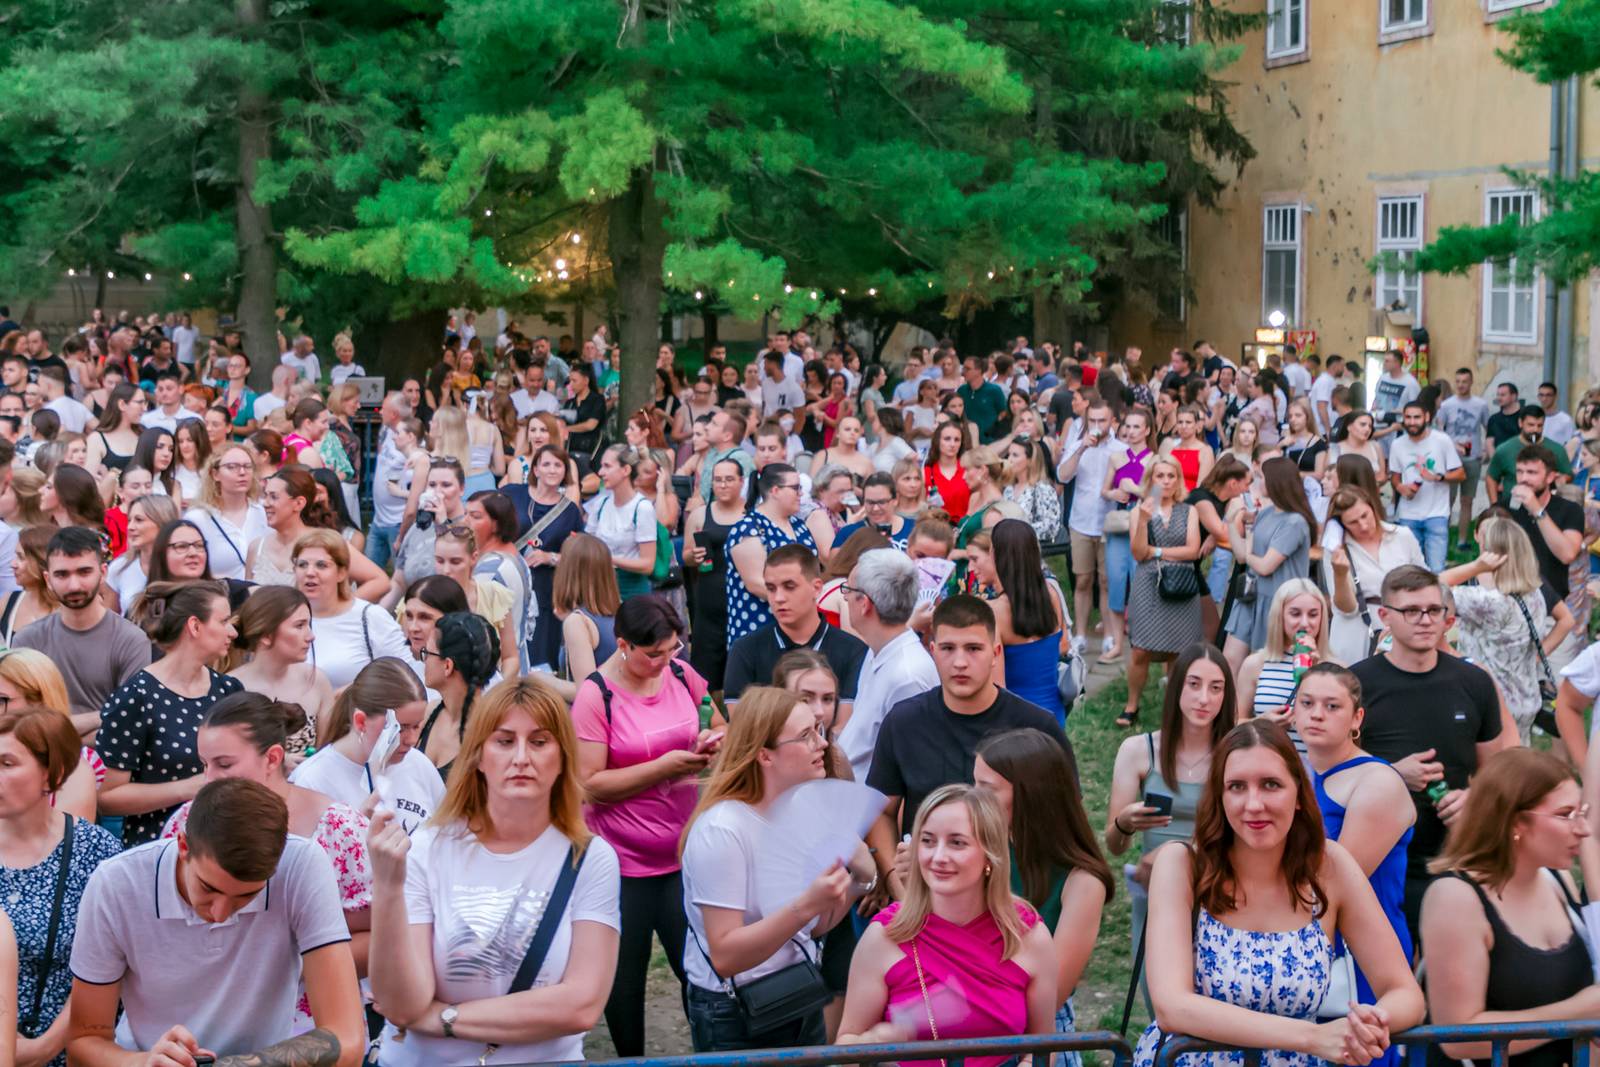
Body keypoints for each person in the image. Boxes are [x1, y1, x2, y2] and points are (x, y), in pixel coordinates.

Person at [1134, 719, 1424, 1067]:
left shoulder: (1329, 868)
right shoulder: (1182, 866)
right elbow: (1171, 1006)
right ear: (1220, 797)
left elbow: (1406, 994)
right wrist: (1313, 1037)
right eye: (1237, 787)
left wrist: (1366, 1024)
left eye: (1271, 785)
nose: (1253, 804)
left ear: (1300, 795)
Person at [367, 676, 620, 1066]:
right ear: (479, 757)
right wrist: (386, 888)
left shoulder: (589, 858)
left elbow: (581, 1006)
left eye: (539, 742)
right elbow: (403, 1004)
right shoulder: (427, 851)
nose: (521, 757)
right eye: (504, 741)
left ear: (563, 758)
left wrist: (445, 1017)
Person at [69, 778, 363, 1066]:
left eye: (247, 896)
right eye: (209, 888)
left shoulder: (302, 865)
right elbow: (84, 1042)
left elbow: (347, 1040)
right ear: (183, 845)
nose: (221, 913)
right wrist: (145, 1062)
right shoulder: (117, 883)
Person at [679, 685, 871, 1052]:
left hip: (797, 993)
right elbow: (726, 956)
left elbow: (816, 927)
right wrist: (808, 904)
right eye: (805, 736)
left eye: (817, 730)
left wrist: (859, 880)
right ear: (765, 756)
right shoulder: (722, 830)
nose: (823, 745)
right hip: (734, 1014)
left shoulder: (802, 810)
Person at [573, 595, 719, 1057]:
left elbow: (722, 723)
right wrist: (662, 767)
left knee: (697, 971)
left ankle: (708, 1049)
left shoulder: (680, 673)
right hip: (621, 864)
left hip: (681, 855)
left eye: (672, 649)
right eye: (652, 653)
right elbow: (589, 784)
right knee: (625, 979)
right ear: (622, 645)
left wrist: (711, 740)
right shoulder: (596, 694)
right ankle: (630, 1059)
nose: (663, 661)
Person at [160, 692, 373, 1004]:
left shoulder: (339, 828)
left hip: (305, 1022)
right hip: (205, 1016)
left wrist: (277, 972)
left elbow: (375, 936)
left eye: (224, 764)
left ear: (272, 758)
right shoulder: (187, 821)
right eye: (205, 764)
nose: (209, 779)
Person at [864, 596, 1078, 892]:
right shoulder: (903, 722)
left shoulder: (1037, 727)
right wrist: (896, 885)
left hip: (1014, 897)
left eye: (973, 648)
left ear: (995, 653)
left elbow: (1066, 822)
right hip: (925, 895)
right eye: (949, 649)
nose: (960, 662)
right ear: (932, 651)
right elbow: (880, 812)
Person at [838, 784, 1058, 1057]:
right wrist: (871, 1041)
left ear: (989, 855)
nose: (938, 857)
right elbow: (844, 1048)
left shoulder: (1028, 935)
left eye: (957, 842)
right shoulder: (885, 936)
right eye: (928, 841)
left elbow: (1043, 1049)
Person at [1353, 565, 1504, 941]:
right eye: (1411, 611)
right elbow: (1333, 770)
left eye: (1434, 610)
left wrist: (1474, 799)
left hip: (1457, 859)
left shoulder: (1474, 682)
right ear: (1385, 616)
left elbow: (1496, 773)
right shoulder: (1358, 683)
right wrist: (1389, 774)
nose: (1425, 620)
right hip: (1380, 859)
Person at [1422, 748, 1596, 1067]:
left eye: (1581, 813)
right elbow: (1456, 1037)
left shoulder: (1558, 881)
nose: (1583, 829)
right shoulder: (1455, 897)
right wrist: (1581, 1012)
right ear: (1515, 821)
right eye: (1565, 814)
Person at [1105, 643, 1234, 1006]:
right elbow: (1115, 845)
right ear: (1176, 686)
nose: (1203, 698)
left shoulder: (1235, 753)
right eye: (1193, 684)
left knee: (1213, 1003)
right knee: (1157, 998)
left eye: (1215, 687)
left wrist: (1181, 855)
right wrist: (1126, 822)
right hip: (1156, 896)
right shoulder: (1138, 750)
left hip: (1220, 893)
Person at [1293, 663, 1416, 1039]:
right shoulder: (1299, 777)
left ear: (1356, 717)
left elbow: (1336, 883)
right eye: (1307, 703)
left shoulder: (1377, 781)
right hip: (1305, 941)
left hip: (1362, 953)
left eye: (1332, 706)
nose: (1317, 714)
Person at [974, 731, 1115, 1058]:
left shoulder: (1082, 881)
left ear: (1029, 795)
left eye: (987, 790)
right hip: (965, 1023)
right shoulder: (980, 851)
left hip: (1035, 1037)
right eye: (973, 785)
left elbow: (1051, 995)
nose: (972, 799)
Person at [0, 707, 122, 1067]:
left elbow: (116, 963)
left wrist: (43, 1048)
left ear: (51, 773)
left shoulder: (96, 853)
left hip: (62, 1049)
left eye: (7, 763)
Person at [96, 581, 244, 845]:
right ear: (195, 626)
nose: (232, 631)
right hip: (159, 847)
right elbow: (108, 798)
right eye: (223, 622)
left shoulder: (228, 689)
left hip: (222, 840)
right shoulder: (135, 697)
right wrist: (186, 789)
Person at [1442, 517, 1569, 744]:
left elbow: (1430, 587)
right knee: (1517, 768)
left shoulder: (1487, 601)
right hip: (1525, 697)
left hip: (1490, 702)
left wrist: (1476, 567)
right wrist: (1537, 657)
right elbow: (1565, 620)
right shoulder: (1534, 595)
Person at [14, 527, 151, 734]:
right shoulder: (28, 640)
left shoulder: (132, 640)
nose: (74, 585)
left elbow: (129, 725)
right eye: (62, 575)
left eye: (84, 572)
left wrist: (57, 730)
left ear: (103, 573)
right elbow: (23, 722)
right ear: (48, 579)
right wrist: (104, 714)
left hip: (108, 763)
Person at [290, 657, 442, 834]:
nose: (411, 739)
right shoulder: (312, 780)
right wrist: (359, 830)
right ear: (360, 722)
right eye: (400, 728)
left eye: (417, 726)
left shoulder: (419, 765)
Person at [835, 547, 939, 782]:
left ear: (864, 604)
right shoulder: (877, 651)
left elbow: (913, 769)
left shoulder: (908, 675)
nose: (844, 598)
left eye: (848, 590)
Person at [1123, 456, 1204, 727]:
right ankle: (1132, 703)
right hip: (1148, 584)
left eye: (1171, 476)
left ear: (1178, 480)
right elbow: (1137, 553)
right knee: (1140, 649)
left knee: (1178, 650)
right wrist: (1144, 523)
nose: (1166, 481)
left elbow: (1193, 551)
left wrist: (1156, 552)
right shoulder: (1140, 511)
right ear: (1151, 480)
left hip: (1181, 586)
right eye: (1161, 476)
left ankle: (1174, 707)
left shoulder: (1189, 511)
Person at [1224, 456, 1316, 669]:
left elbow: (1265, 566)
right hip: (1252, 597)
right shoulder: (1266, 513)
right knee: (1231, 658)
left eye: (1262, 478)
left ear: (1276, 481)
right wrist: (1232, 523)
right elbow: (1242, 557)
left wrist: (1248, 553)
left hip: (1277, 602)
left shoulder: (1295, 522)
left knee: (1264, 665)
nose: (1259, 483)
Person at [294, 529, 411, 690]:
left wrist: (354, 691)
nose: (310, 572)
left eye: (321, 565)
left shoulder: (369, 617)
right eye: (302, 565)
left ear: (342, 573)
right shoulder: (284, 618)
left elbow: (407, 674)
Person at [228, 584, 335, 755]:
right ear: (266, 635)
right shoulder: (230, 687)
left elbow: (327, 754)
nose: (311, 636)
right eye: (299, 626)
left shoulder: (316, 680)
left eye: (308, 625)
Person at [254, 467, 389, 601]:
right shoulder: (257, 547)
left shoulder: (325, 542)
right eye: (265, 495)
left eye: (274, 497)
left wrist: (340, 611)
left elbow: (380, 581)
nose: (265, 503)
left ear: (299, 503)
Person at [1325, 488, 1423, 666]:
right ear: (1340, 524)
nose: (1363, 525)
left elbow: (1424, 582)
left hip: (1399, 624)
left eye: (1365, 515)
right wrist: (1340, 575)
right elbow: (1346, 609)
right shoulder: (1337, 549)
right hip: (1355, 632)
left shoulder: (1402, 535)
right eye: (1352, 522)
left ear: (1373, 507)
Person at [988, 519, 1070, 724]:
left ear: (997, 556)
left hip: (1017, 720)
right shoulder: (1051, 595)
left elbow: (997, 687)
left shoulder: (994, 611)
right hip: (1054, 714)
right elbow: (1062, 646)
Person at [726, 464, 816, 647]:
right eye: (796, 488)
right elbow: (756, 583)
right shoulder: (748, 528)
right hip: (759, 626)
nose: (800, 493)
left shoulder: (799, 525)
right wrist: (804, 599)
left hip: (800, 626)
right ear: (775, 490)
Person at [1237, 578, 1335, 739]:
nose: (1304, 623)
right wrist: (1262, 723)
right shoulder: (1255, 664)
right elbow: (1233, 723)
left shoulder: (1335, 668)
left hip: (1314, 762)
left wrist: (1316, 673)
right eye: (1295, 614)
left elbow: (1341, 728)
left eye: (1313, 615)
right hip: (1267, 759)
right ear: (1279, 616)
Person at [685, 457, 748, 693]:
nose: (722, 485)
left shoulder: (751, 514)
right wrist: (695, 555)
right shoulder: (700, 515)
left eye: (729, 479)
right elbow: (686, 556)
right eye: (718, 480)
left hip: (743, 601)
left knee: (740, 666)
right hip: (709, 600)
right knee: (705, 670)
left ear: (741, 482)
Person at [1060, 399, 1117, 659]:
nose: (1096, 426)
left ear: (1111, 421)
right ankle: (1080, 634)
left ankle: (1108, 635)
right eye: (1091, 421)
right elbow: (1062, 476)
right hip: (1081, 521)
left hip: (1110, 523)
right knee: (1083, 579)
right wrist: (1081, 449)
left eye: (1101, 421)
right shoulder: (1077, 445)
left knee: (1106, 581)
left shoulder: (1120, 448)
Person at [428, 526, 520, 678]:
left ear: (474, 558)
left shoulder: (494, 595)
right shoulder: (420, 599)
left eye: (455, 562)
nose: (446, 570)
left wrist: (497, 689)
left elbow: (510, 657)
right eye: (439, 561)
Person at [416, 611, 500, 776]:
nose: (423, 660)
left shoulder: (488, 733)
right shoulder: (429, 713)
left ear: (448, 666)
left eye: (427, 652)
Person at [1387, 401, 1465, 572]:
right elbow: (1395, 476)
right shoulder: (1397, 444)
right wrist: (1400, 488)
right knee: (1410, 570)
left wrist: (1437, 477)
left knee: (1436, 570)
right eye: (1408, 417)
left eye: (1417, 417)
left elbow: (1460, 474)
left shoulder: (1442, 440)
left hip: (1437, 514)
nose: (1412, 422)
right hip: (1408, 514)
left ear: (1427, 417)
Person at [1502, 446, 1584, 601]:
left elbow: (1567, 554)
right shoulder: (1504, 508)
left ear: (1550, 477)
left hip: (1553, 601)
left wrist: (1536, 509)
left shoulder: (1570, 510)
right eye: (1520, 471)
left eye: (1532, 472)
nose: (1523, 478)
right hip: (1512, 599)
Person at [582, 444, 658, 599]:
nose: (601, 472)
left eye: (607, 466)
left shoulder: (642, 508)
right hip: (600, 587)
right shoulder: (600, 504)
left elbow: (648, 564)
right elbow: (589, 545)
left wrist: (608, 558)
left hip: (631, 591)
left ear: (626, 470)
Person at [185, 444, 267, 581]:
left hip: (260, 598)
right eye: (232, 467)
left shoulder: (264, 513)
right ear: (215, 474)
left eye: (247, 466)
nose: (242, 472)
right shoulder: (198, 519)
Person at [1437, 367, 1491, 553]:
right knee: (1448, 500)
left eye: (1464, 381)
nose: (1461, 385)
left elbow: (1488, 428)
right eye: (1458, 381)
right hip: (1451, 460)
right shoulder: (1446, 406)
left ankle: (1462, 539)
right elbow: (1440, 431)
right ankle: (1442, 538)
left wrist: (1485, 450)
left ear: (1471, 382)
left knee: (1467, 500)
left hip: (1472, 458)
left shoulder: (1480, 405)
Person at [103, 493, 179, 614]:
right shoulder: (120, 567)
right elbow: (110, 621)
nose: (130, 527)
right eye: (129, 520)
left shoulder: (182, 565)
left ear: (162, 522)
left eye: (139, 520)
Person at [1486, 406, 1571, 503]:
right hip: (1513, 505)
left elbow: (1568, 474)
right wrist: (1494, 505)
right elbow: (1491, 477)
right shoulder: (1505, 449)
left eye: (1540, 426)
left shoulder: (1556, 449)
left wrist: (1559, 480)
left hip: (1546, 504)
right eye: (1531, 425)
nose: (1535, 429)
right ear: (1520, 423)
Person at [925, 420, 970, 521]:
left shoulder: (969, 470)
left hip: (964, 530)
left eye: (957, 440)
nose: (952, 444)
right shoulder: (926, 472)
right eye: (947, 439)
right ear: (937, 441)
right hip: (935, 528)